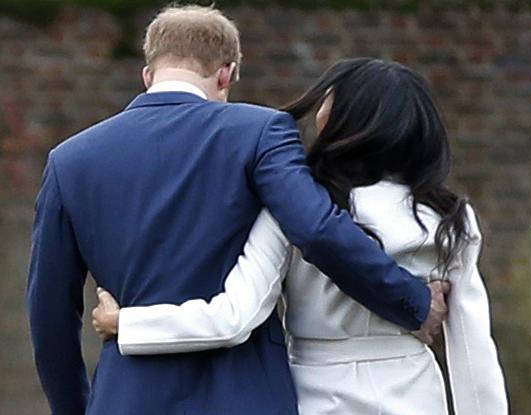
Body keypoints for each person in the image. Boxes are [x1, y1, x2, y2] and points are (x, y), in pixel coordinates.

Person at [27, 6, 448, 415]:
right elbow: (317, 229)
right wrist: (411, 299)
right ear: (227, 74)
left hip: (128, 396)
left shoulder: (70, 160)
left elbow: (50, 317)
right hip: (245, 395)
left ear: (147, 75)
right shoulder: (260, 132)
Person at [92, 58, 509, 414]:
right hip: (415, 391)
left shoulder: (296, 210)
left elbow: (232, 317)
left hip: (315, 394)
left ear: (347, 118)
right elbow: (473, 354)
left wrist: (130, 323)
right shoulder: (449, 218)